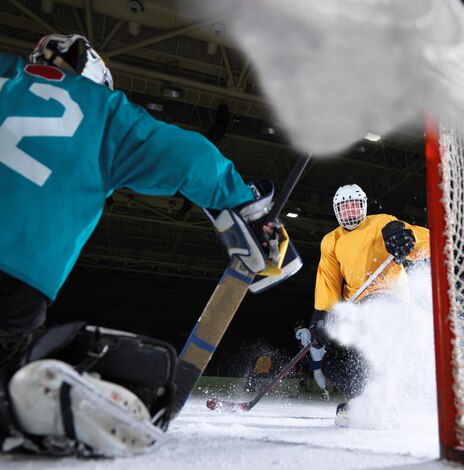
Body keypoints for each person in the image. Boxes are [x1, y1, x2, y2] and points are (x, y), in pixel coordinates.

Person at [0, 34, 293, 457]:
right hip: (17, 275)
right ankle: (29, 400)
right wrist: (246, 208)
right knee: (15, 362)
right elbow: (191, 158)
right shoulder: (103, 111)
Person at [308, 184, 430, 425]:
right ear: (336, 211)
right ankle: (359, 401)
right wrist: (322, 313)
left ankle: (386, 401)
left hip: (390, 296)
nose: (350, 212)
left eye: (354, 205)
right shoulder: (331, 241)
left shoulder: (382, 223)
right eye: (344, 207)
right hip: (357, 303)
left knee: (372, 347)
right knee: (335, 357)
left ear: (363, 206)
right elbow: (328, 279)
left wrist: (406, 237)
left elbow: (424, 241)